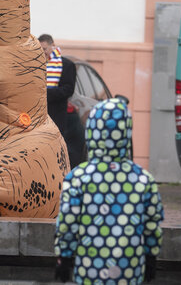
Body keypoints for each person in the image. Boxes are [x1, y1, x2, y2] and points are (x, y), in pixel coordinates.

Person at [54, 98, 163, 284]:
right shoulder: (144, 180)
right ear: (126, 133)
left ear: (92, 132)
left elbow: (68, 222)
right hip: (130, 270)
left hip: (89, 270)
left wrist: (64, 256)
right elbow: (152, 224)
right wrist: (151, 257)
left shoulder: (78, 178)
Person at [39, 34, 79, 162]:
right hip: (39, 115)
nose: (43, 53)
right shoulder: (37, 64)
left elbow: (68, 89)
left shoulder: (67, 65)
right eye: (40, 50)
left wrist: (46, 93)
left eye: (44, 49)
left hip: (57, 115)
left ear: (52, 46)